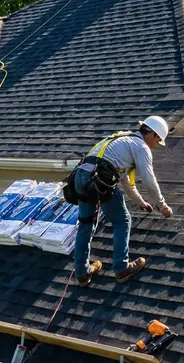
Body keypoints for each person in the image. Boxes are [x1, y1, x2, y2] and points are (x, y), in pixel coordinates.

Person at [73, 116, 174, 286]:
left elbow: (125, 181)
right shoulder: (141, 146)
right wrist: (162, 205)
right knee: (122, 220)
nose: (155, 146)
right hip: (99, 181)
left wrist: (141, 202)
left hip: (80, 177)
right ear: (152, 134)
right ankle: (121, 268)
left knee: (86, 223)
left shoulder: (122, 139)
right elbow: (149, 180)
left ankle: (82, 272)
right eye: (158, 141)